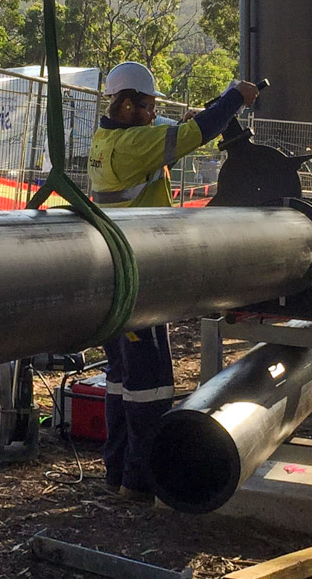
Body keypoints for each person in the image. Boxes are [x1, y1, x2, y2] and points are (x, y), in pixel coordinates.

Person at [89, 60, 259, 502]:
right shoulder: (133, 144)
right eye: (146, 107)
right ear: (125, 105)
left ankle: (116, 471)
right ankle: (140, 479)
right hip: (140, 274)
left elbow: (175, 129)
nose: (151, 114)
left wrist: (205, 110)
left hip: (114, 276)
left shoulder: (107, 138)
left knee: (120, 378)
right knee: (150, 385)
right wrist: (235, 99)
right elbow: (192, 135)